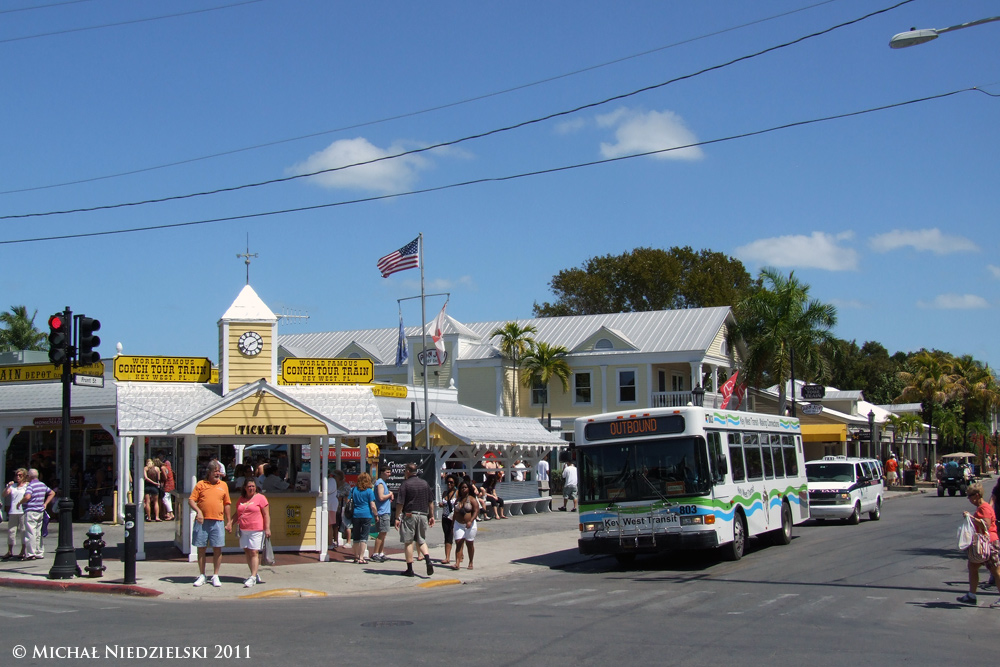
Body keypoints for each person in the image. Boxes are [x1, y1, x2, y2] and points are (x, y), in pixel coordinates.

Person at [188, 461, 232, 587]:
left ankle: (216, 575)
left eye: (219, 471)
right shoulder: (200, 484)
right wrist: (198, 512)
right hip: (202, 522)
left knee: (217, 548)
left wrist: (229, 521)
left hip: (218, 521)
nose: (218, 473)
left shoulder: (223, 485)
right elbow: (191, 500)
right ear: (209, 472)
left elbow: (227, 504)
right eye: (215, 471)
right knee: (201, 548)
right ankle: (202, 574)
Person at [957, 482, 1000, 606]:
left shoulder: (984, 508)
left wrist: (970, 517)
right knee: (973, 566)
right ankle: (971, 595)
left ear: (976, 495)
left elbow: (985, 525)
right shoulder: (982, 507)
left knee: (996, 571)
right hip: (982, 544)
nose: (969, 499)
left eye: (970, 496)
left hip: (989, 543)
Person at [394, 463, 435, 577]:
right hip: (423, 514)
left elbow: (400, 503)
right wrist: (431, 516)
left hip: (409, 515)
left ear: (407, 471)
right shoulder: (424, 483)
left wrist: (397, 517)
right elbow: (430, 501)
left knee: (408, 541)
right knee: (421, 540)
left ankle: (410, 569)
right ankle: (427, 559)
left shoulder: (405, 484)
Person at [230, 478, 270, 588]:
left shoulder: (261, 498)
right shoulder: (241, 499)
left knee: (254, 552)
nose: (251, 488)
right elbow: (237, 513)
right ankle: (254, 573)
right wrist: (230, 523)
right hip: (243, 529)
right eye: (249, 486)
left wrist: (267, 528)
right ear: (245, 488)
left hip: (256, 529)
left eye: (253, 486)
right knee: (247, 551)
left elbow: (266, 514)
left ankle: (252, 577)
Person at [21, 469, 54, 560]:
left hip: (31, 511)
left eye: (27, 475)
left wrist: (20, 502)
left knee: (30, 532)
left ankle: (31, 553)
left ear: (30, 477)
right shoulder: (42, 485)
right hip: (40, 511)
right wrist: (45, 503)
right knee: (38, 532)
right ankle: (39, 551)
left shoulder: (30, 486)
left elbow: (27, 496)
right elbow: (52, 493)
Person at [349, 472, 377, 565]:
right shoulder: (369, 491)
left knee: (356, 537)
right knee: (364, 537)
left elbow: (348, 501)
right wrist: (376, 515)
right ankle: (361, 557)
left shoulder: (353, 490)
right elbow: (372, 505)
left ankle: (356, 556)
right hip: (366, 515)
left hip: (356, 515)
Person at [2, 469, 29, 561]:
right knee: (11, 531)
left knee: (23, 531)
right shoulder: (13, 486)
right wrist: (8, 487)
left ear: (24, 476)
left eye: (20, 475)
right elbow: (4, 495)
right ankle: (10, 550)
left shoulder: (27, 486)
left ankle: (23, 550)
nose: (18, 476)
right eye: (17, 475)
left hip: (22, 511)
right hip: (13, 511)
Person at [452, 480, 479, 570]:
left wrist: (471, 521)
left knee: (469, 543)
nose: (463, 489)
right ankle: (457, 563)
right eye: (462, 488)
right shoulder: (458, 500)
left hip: (470, 525)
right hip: (458, 524)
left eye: (465, 487)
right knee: (458, 543)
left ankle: (471, 562)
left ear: (468, 489)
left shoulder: (472, 499)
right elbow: (455, 513)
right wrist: (453, 523)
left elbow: (476, 511)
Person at [371, 467, 394, 563]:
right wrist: (390, 494)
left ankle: (381, 553)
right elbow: (380, 497)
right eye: (387, 472)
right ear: (382, 472)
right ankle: (375, 553)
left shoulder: (383, 483)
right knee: (381, 533)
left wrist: (389, 493)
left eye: (390, 472)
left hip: (385, 511)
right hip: (382, 512)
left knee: (384, 533)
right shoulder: (380, 483)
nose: (389, 474)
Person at [439, 475, 458, 565]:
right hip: (445, 517)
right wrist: (441, 504)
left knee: (458, 537)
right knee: (447, 536)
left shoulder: (457, 493)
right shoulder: (445, 493)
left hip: (454, 517)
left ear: (455, 483)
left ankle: (459, 554)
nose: (449, 484)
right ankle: (447, 557)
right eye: (448, 482)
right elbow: (443, 503)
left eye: (451, 482)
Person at [326, 468, 340, 549]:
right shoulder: (330, 480)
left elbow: (327, 490)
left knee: (329, 525)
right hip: (329, 504)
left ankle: (329, 543)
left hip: (330, 505)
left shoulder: (331, 480)